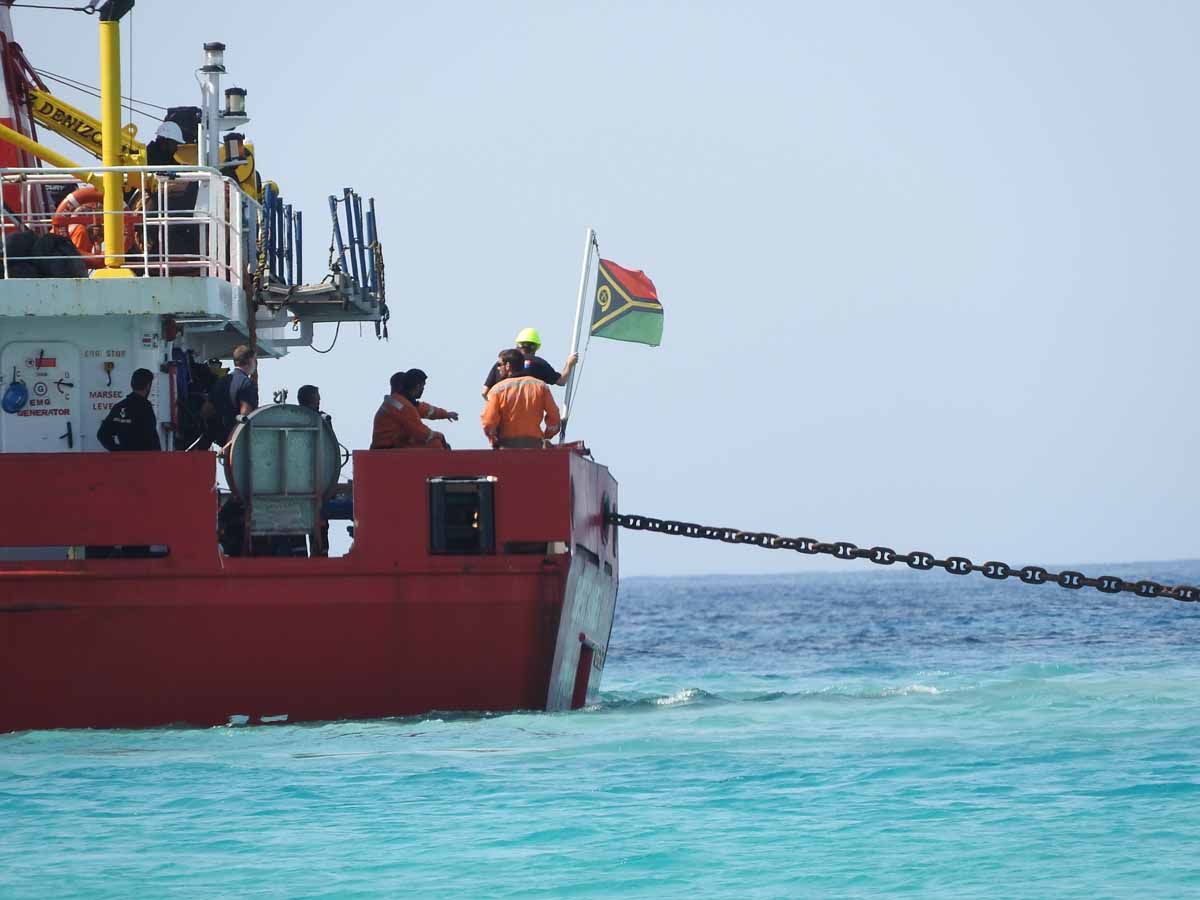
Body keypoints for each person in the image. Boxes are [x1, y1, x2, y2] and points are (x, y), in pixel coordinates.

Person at [481, 349, 561, 449]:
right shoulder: (541, 386)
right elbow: (554, 417)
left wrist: (493, 440)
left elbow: (488, 421)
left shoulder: (497, 390)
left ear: (508, 366)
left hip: (506, 447)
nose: (498, 368)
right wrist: (547, 436)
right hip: (535, 446)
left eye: (499, 364)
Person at [480, 327, 578, 399]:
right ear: (536, 347)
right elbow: (561, 381)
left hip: (502, 421)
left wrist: (495, 407)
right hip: (528, 420)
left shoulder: (501, 364)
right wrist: (569, 364)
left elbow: (484, 392)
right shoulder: (539, 364)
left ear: (517, 345)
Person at [370, 370, 450, 450]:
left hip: (391, 444)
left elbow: (425, 410)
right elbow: (421, 433)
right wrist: (440, 436)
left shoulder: (398, 402)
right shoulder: (402, 406)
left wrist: (446, 414)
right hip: (388, 448)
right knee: (436, 445)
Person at [97, 368, 161, 451]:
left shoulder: (119, 406)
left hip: (124, 461)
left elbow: (102, 434)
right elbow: (151, 439)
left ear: (131, 384)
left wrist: (117, 450)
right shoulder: (145, 407)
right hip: (144, 461)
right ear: (148, 385)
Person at [208, 345, 258, 446]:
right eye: (255, 360)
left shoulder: (221, 381)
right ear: (249, 361)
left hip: (219, 438)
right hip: (236, 442)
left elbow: (207, 410)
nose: (256, 364)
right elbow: (245, 416)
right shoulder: (247, 384)